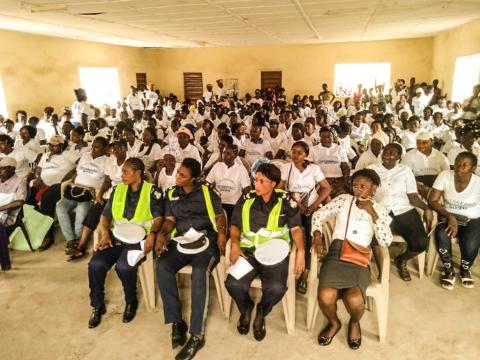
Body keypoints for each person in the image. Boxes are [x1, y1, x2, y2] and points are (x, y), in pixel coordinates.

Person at [311, 169, 392, 349]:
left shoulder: (379, 209)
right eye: (355, 186)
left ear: (374, 188)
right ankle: (334, 323)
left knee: (354, 300)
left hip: (359, 258)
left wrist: (372, 213)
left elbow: (386, 240)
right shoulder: (343, 200)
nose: (358, 190)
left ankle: (354, 322)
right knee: (324, 296)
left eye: (363, 186)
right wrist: (317, 236)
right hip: (336, 255)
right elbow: (318, 215)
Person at [155, 158, 227, 360]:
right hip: (183, 240)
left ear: (194, 178)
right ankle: (176, 321)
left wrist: (221, 231)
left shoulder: (206, 192)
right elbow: (170, 220)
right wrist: (162, 233)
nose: (177, 177)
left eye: (183, 175)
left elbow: (220, 215)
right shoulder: (171, 193)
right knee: (162, 266)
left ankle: (197, 334)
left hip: (206, 241)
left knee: (199, 272)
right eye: (178, 173)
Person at [225, 163, 305, 342]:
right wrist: (236, 245)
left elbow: (296, 229)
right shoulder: (246, 198)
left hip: (275, 255)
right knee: (233, 283)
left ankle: (262, 309)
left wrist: (301, 251)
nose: (256, 184)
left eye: (262, 181)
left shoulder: (286, 201)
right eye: (256, 180)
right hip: (249, 253)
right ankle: (246, 309)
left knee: (276, 288)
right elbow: (235, 225)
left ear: (274, 184)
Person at [87, 157, 164, 328]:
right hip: (116, 237)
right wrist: (105, 234)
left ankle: (131, 300)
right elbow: (105, 215)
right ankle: (97, 305)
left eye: (126, 171)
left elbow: (159, 218)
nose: (122, 175)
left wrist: (152, 234)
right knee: (96, 264)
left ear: (138, 173)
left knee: (124, 266)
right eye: (122, 171)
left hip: (139, 239)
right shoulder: (118, 190)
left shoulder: (153, 191)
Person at [368, 143, 433, 281]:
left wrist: (426, 208)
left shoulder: (405, 170)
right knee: (376, 239)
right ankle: (383, 271)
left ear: (398, 157)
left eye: (392, 153)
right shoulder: (371, 170)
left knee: (421, 242)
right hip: (380, 211)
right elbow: (365, 193)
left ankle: (401, 260)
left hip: (404, 210)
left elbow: (413, 196)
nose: (387, 155)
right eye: (385, 151)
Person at [278, 141, 331, 294]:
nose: (295, 155)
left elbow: (327, 188)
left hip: (311, 206)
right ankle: (287, 269)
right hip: (293, 206)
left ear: (306, 155)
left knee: (309, 237)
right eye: (293, 151)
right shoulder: (286, 167)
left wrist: (314, 206)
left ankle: (305, 275)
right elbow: (280, 188)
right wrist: (294, 202)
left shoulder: (314, 169)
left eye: (299, 152)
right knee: (287, 234)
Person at [67, 140, 129, 261]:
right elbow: (107, 181)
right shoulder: (111, 160)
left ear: (126, 149)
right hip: (111, 193)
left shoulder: (131, 161)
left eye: (119, 148)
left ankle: (112, 243)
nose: (116, 151)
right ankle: (81, 245)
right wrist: (100, 194)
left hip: (126, 193)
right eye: (114, 149)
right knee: (96, 209)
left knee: (109, 210)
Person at [428, 152, 480, 289]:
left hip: (472, 219)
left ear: (473, 168)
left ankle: (464, 270)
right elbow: (432, 201)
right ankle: (448, 270)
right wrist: (450, 216)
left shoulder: (478, 183)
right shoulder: (445, 175)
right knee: (441, 233)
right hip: (447, 215)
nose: (459, 167)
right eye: (457, 163)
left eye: (465, 165)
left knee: (470, 244)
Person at [33, 135, 76, 250]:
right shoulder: (46, 155)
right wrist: (37, 177)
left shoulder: (68, 154)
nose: (51, 147)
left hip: (60, 185)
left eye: (55, 145)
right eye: (50, 144)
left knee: (47, 197)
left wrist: (69, 176)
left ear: (62, 145)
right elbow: (38, 169)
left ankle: (48, 236)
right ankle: (31, 228)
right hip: (43, 184)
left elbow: (79, 166)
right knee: (28, 195)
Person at [206, 144, 251, 222]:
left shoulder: (241, 169)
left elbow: (246, 188)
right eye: (224, 153)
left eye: (228, 153)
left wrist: (242, 204)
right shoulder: (217, 166)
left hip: (233, 204)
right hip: (217, 202)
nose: (224, 156)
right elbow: (207, 183)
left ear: (235, 155)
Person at [0, 157, 28, 271]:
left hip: (8, 214)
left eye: (2, 169)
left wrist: (0, 208)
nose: (0, 171)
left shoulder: (20, 181)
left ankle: (5, 262)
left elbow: (20, 201)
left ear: (12, 169)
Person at [311, 127, 350, 198]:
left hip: (337, 180)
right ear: (320, 137)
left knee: (342, 200)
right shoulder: (313, 149)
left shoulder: (339, 149)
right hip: (321, 181)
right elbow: (309, 166)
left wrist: (345, 182)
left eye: (329, 136)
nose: (326, 139)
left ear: (333, 137)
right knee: (322, 201)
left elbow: (345, 167)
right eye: (323, 136)